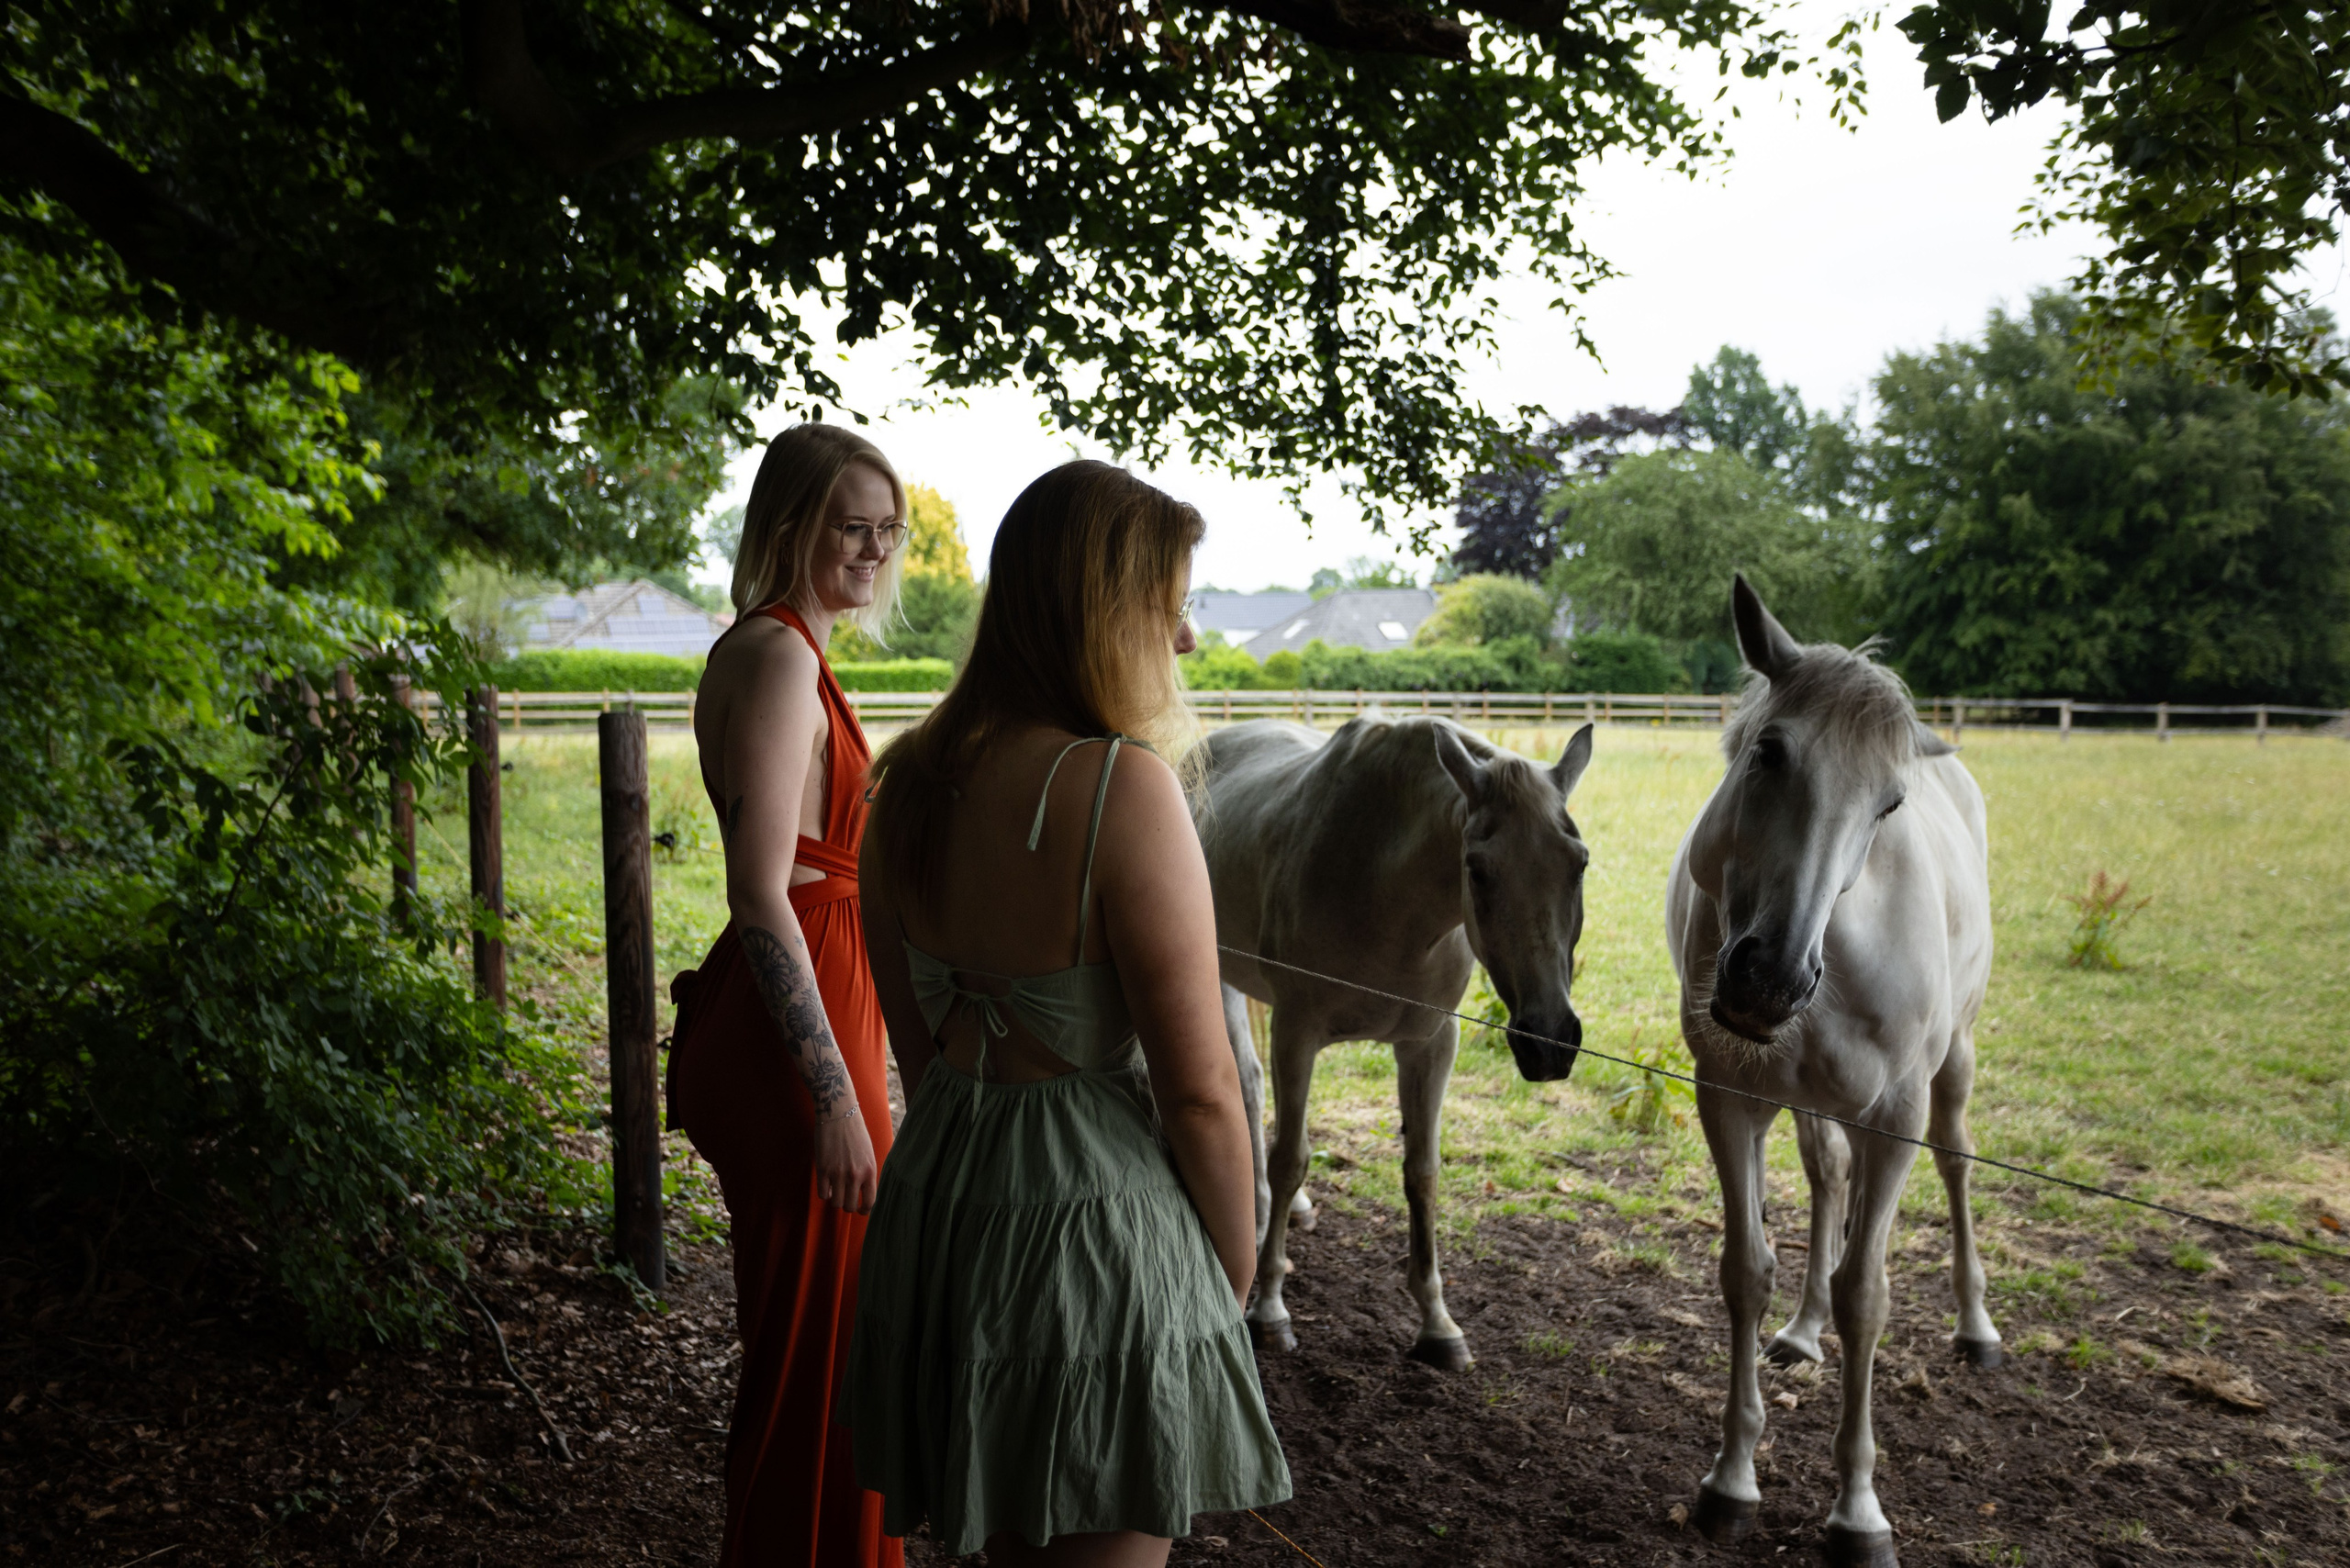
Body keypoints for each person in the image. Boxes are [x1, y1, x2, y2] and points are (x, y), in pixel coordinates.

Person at [845, 461, 1292, 1567]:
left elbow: (920, 1049)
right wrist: (1224, 1276)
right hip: (1092, 1241)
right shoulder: (1118, 789)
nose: (1184, 642)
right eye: (1171, 606)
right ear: (1104, 610)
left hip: (945, 1210)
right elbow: (1202, 1089)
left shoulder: (904, 783)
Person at [669, 423, 909, 1568]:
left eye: (884, 529)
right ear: (789, 525)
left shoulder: (798, 653)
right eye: (847, 525)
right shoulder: (772, 657)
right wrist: (833, 1095)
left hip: (825, 985)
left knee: (830, 1348)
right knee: (815, 1360)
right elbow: (762, 891)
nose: (871, 549)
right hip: (792, 1016)